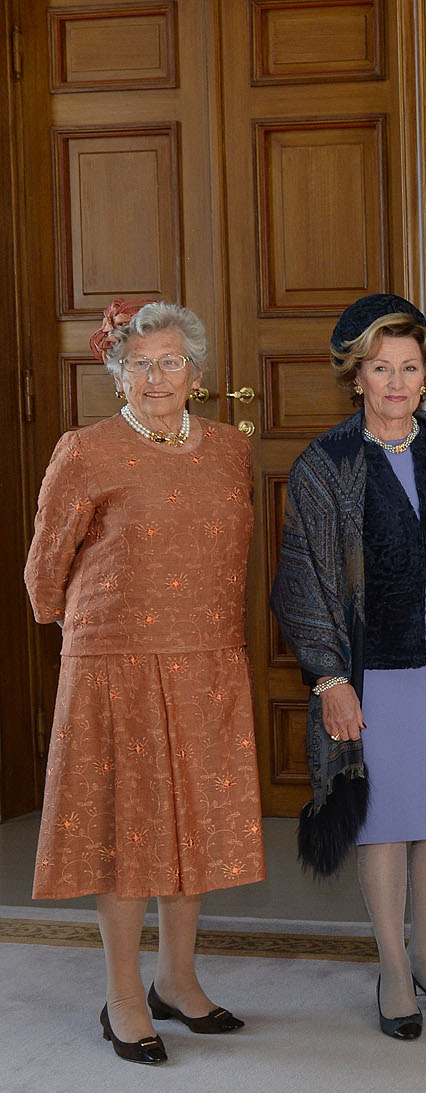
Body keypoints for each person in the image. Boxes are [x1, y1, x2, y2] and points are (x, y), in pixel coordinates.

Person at [269, 293, 426, 1041]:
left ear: (425, 375)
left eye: (410, 367)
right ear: (356, 376)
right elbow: (302, 583)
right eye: (382, 368)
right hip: (373, 674)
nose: (397, 381)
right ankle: (392, 967)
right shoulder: (326, 465)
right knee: (384, 819)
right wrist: (329, 678)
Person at [24, 299, 265, 1065]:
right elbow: (42, 573)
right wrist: (98, 631)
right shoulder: (84, 449)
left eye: (169, 361)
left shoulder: (230, 449)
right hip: (117, 667)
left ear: (196, 372)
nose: (155, 375)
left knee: (192, 827)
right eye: (139, 362)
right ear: (117, 372)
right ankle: (123, 996)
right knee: (128, 833)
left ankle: (178, 980)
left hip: (207, 659)